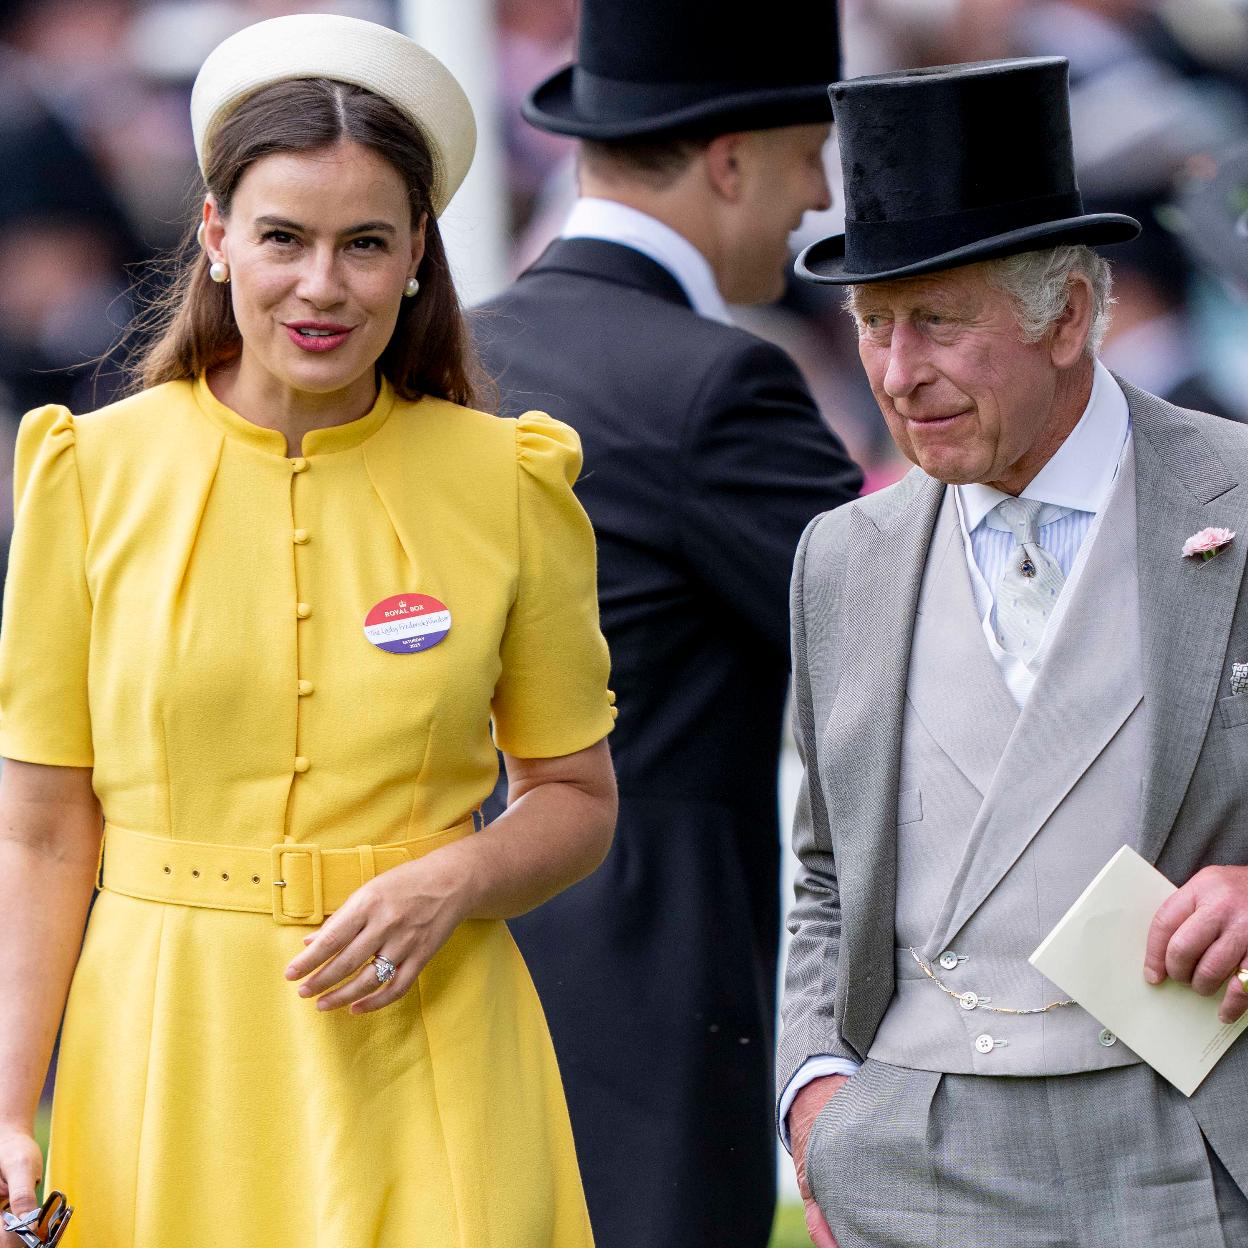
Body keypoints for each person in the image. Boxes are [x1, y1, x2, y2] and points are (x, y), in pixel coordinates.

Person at [0, 14, 617, 1247]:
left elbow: (575, 799)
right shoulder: (86, 471)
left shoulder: (511, 481)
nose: (322, 286)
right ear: (219, 237)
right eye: (284, 237)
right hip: (166, 1050)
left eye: (365, 244)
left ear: (417, 256)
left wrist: (458, 876)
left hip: (433, 1039)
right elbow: (42, 826)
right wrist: (11, 1107)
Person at [779, 55, 1248, 1248]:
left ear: (1073, 316)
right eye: (875, 327)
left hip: (1199, 1147)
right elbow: (824, 876)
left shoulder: (1241, 501)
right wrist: (817, 1107)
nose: (896, 374)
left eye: (938, 321)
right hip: (916, 1165)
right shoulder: (842, 555)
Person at [473, 2, 862, 1244]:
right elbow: (902, 638)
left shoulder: (453, 360)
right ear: (730, 160)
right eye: (809, 155)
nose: (817, 198)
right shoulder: (714, 381)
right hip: (651, 991)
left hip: (443, 952)